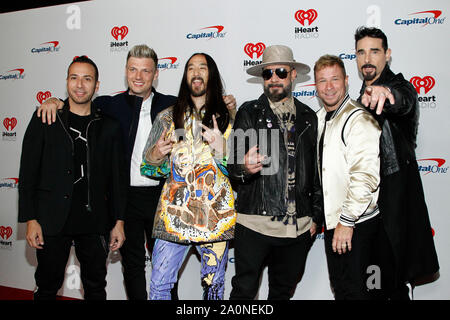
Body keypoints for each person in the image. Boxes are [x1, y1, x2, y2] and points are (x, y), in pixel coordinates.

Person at [37, 45, 236, 300]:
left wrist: (227, 103)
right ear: (126, 72)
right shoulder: (107, 105)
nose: (139, 76)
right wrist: (56, 102)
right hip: (125, 199)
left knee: (165, 272)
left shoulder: (171, 106)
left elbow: (203, 104)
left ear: (155, 75)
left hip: (162, 199)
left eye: (146, 71)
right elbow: (79, 103)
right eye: (133, 69)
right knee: (132, 267)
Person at [18, 56, 126, 300]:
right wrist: (30, 219)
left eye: (87, 79)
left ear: (97, 85)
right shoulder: (45, 118)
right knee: (46, 286)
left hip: (95, 221)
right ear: (66, 81)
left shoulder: (109, 126)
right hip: (52, 219)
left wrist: (119, 222)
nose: (80, 85)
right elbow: (28, 173)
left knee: (96, 288)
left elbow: (117, 180)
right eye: (74, 78)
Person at [227, 45, 322, 300]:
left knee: (282, 293)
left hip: (297, 228)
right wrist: (243, 166)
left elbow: (317, 172)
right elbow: (233, 166)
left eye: (280, 72)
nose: (274, 79)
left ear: (293, 74)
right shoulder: (249, 112)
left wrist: (315, 216)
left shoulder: (309, 117)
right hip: (254, 223)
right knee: (244, 292)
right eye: (267, 74)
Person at [140, 53, 236, 300]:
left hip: (214, 221)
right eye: (190, 68)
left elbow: (241, 171)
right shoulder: (167, 117)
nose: (196, 72)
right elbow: (148, 168)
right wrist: (156, 155)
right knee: (159, 286)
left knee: (214, 288)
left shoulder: (229, 118)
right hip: (172, 220)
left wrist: (221, 150)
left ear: (211, 74)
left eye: (202, 67)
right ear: (185, 76)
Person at [354, 26, 439, 299]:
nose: (367, 58)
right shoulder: (358, 101)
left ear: (387, 55)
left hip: (394, 213)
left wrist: (385, 95)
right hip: (368, 213)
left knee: (392, 290)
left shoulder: (398, 87)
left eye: (375, 51)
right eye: (361, 52)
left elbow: (402, 100)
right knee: (373, 288)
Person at [314, 54, 381, 300]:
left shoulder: (359, 119)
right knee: (343, 291)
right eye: (322, 81)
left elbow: (365, 177)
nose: (329, 86)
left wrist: (347, 221)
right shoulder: (321, 119)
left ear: (346, 81)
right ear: (315, 86)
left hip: (356, 225)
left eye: (335, 79)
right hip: (335, 224)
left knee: (359, 293)